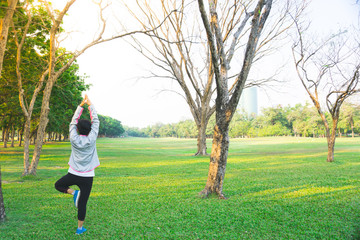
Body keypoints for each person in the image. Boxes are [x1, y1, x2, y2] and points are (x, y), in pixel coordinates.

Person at [55, 94, 100, 235]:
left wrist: (80, 106)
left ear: (78, 129)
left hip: (73, 173)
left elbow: (73, 122)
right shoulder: (92, 138)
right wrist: (90, 104)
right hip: (87, 176)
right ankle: (80, 229)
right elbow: (96, 121)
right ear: (90, 129)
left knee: (58, 185)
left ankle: (74, 193)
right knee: (82, 203)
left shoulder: (73, 138)